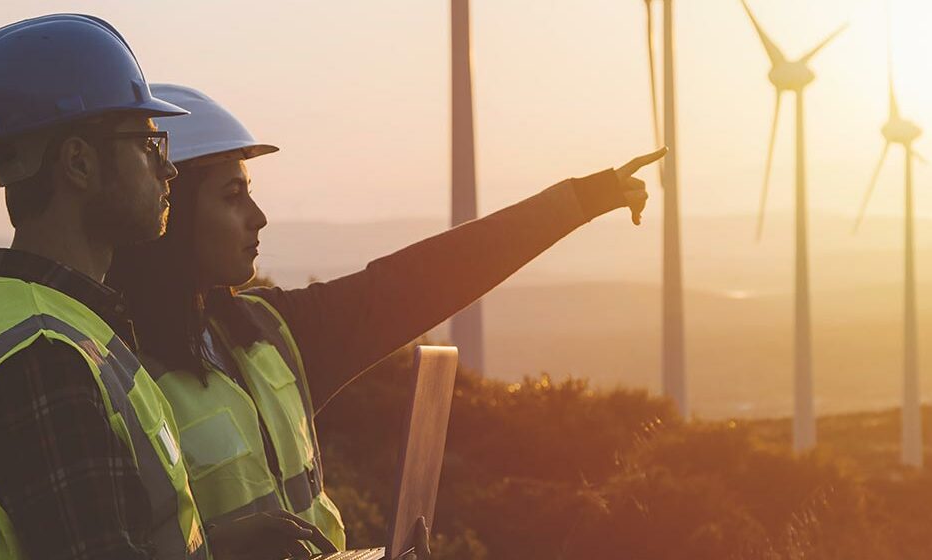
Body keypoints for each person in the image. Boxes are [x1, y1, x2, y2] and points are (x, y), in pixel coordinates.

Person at [104, 83, 666, 552]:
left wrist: (585, 199)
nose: (258, 217)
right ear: (170, 211)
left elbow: (424, 279)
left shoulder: (270, 332)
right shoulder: (110, 369)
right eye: (232, 196)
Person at [0, 15, 327, 560]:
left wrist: (218, 550)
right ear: (78, 163)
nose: (167, 170)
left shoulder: (65, 326)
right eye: (147, 144)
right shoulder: (44, 359)